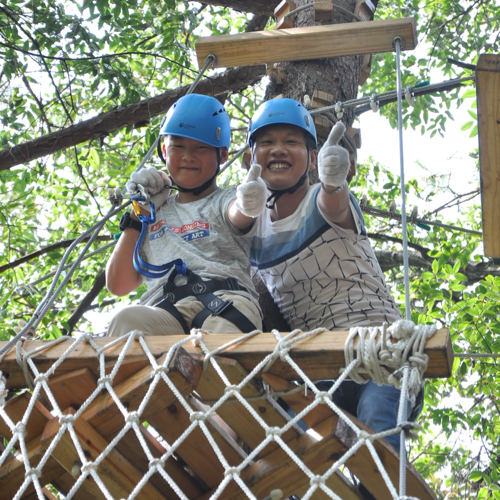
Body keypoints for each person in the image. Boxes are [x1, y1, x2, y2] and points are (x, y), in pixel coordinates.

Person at [247, 98, 420, 454]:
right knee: (288, 440)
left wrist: (333, 182)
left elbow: (334, 204)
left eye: (292, 142)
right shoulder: (251, 230)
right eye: (267, 142)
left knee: (376, 417)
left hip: (384, 354)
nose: (278, 149)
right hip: (326, 369)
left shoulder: (321, 198)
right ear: (252, 158)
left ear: (312, 159)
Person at [106, 93, 268, 337]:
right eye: (178, 146)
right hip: (165, 311)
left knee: (220, 347)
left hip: (226, 302)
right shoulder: (150, 215)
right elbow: (119, 284)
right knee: (125, 321)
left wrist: (247, 203)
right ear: (164, 150)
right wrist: (138, 213)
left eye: (201, 147)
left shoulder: (225, 199)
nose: (188, 156)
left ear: (222, 155)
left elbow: (237, 213)